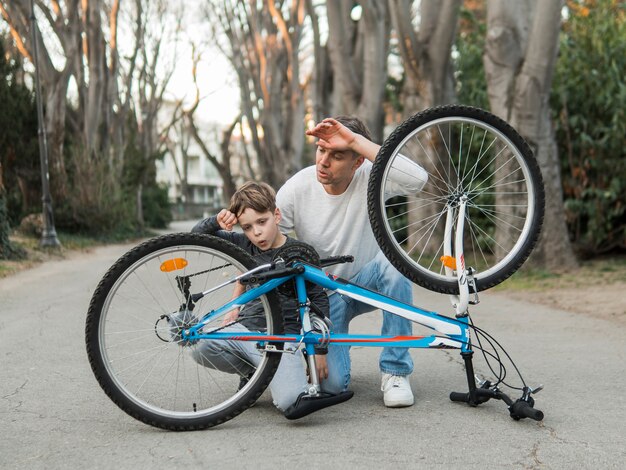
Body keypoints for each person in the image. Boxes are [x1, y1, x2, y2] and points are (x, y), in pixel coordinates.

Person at [276, 116, 428, 407]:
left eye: (337, 154)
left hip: (365, 283)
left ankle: (395, 372)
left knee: (396, 264)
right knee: (331, 387)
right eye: (321, 150)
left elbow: (419, 180)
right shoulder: (298, 187)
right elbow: (266, 242)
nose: (323, 161)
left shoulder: (371, 174)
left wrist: (357, 142)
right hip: (321, 298)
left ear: (357, 162)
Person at [179, 181, 346, 418]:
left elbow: (319, 298)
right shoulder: (242, 245)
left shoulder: (300, 250)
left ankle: (271, 371)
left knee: (292, 401)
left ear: (276, 215)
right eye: (247, 227)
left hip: (283, 338)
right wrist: (216, 222)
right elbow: (195, 236)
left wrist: (319, 349)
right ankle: (252, 372)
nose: (256, 232)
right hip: (246, 330)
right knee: (199, 346)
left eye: (261, 222)